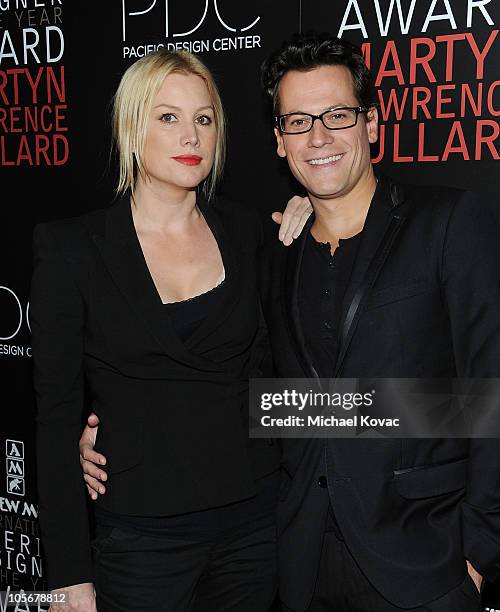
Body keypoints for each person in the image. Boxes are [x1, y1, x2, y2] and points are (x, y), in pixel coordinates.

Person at [30, 49, 309, 612]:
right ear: (133, 128)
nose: (191, 135)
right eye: (168, 117)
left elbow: (278, 371)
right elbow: (56, 419)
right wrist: (68, 576)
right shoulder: (71, 250)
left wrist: (313, 218)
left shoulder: (251, 231)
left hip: (252, 529)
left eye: (204, 119)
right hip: (139, 539)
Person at [256, 32, 500, 612]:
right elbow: (257, 398)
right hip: (302, 565)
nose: (318, 137)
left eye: (337, 115)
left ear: (370, 123)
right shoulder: (273, 253)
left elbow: (489, 388)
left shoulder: (447, 223)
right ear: (279, 140)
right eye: (298, 121)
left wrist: (480, 551)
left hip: (426, 562)